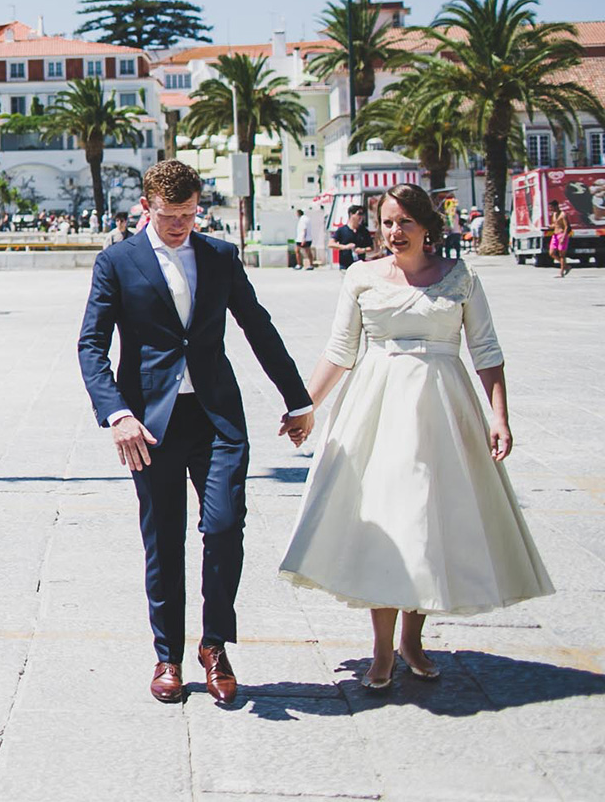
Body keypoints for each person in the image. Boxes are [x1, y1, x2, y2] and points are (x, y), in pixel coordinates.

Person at [279, 183, 553, 690]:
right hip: (377, 411)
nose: (393, 231)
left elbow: (486, 350)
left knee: (427, 524)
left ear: (428, 226)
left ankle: (412, 640)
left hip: (443, 412)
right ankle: (382, 649)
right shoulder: (361, 276)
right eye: (386, 222)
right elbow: (339, 351)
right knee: (385, 522)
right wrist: (306, 408)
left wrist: (500, 416)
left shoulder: (460, 277)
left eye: (404, 221)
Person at [76, 160, 314, 706]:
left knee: (226, 527)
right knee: (164, 543)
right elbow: (91, 346)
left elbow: (258, 326)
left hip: (216, 417)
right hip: (149, 426)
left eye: (189, 214)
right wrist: (116, 414)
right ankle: (168, 656)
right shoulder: (117, 262)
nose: (181, 224)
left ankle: (214, 646)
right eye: (170, 215)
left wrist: (297, 399)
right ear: (146, 208)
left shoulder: (219, 256)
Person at [332, 204, 374, 270]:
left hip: (360, 265)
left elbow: (371, 247)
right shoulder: (342, 230)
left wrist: (362, 250)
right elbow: (331, 244)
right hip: (345, 265)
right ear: (351, 214)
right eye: (359, 214)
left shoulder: (364, 231)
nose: (361, 217)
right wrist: (345, 247)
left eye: (362, 214)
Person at [549, 201, 572, 278]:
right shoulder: (554, 214)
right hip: (555, 235)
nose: (551, 209)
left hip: (562, 235)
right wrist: (551, 226)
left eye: (552, 207)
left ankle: (561, 272)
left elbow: (566, 227)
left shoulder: (563, 214)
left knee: (562, 255)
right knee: (551, 253)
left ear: (556, 206)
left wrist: (563, 237)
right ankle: (566, 266)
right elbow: (556, 224)